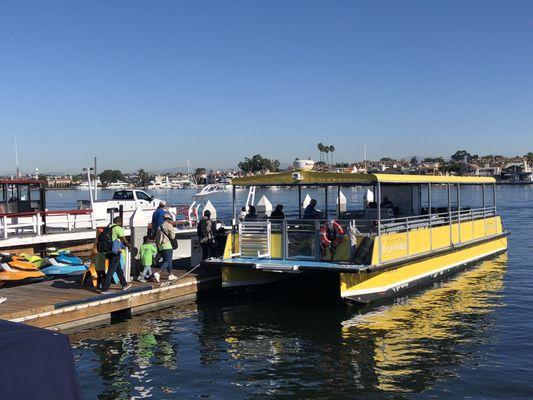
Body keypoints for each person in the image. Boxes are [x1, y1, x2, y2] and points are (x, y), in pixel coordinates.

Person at [101, 217, 132, 294]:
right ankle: (104, 289)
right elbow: (123, 239)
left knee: (118, 268)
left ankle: (124, 284)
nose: (122, 224)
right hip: (115, 252)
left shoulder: (108, 227)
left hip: (108, 251)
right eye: (121, 222)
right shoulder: (118, 228)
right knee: (111, 270)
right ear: (119, 222)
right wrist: (129, 245)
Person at [156, 213, 177, 281]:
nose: (170, 221)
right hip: (167, 244)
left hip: (160, 245)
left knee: (167, 260)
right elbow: (172, 236)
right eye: (170, 219)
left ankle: (170, 274)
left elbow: (157, 237)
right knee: (168, 261)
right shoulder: (169, 225)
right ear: (168, 219)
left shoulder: (160, 226)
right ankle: (158, 273)